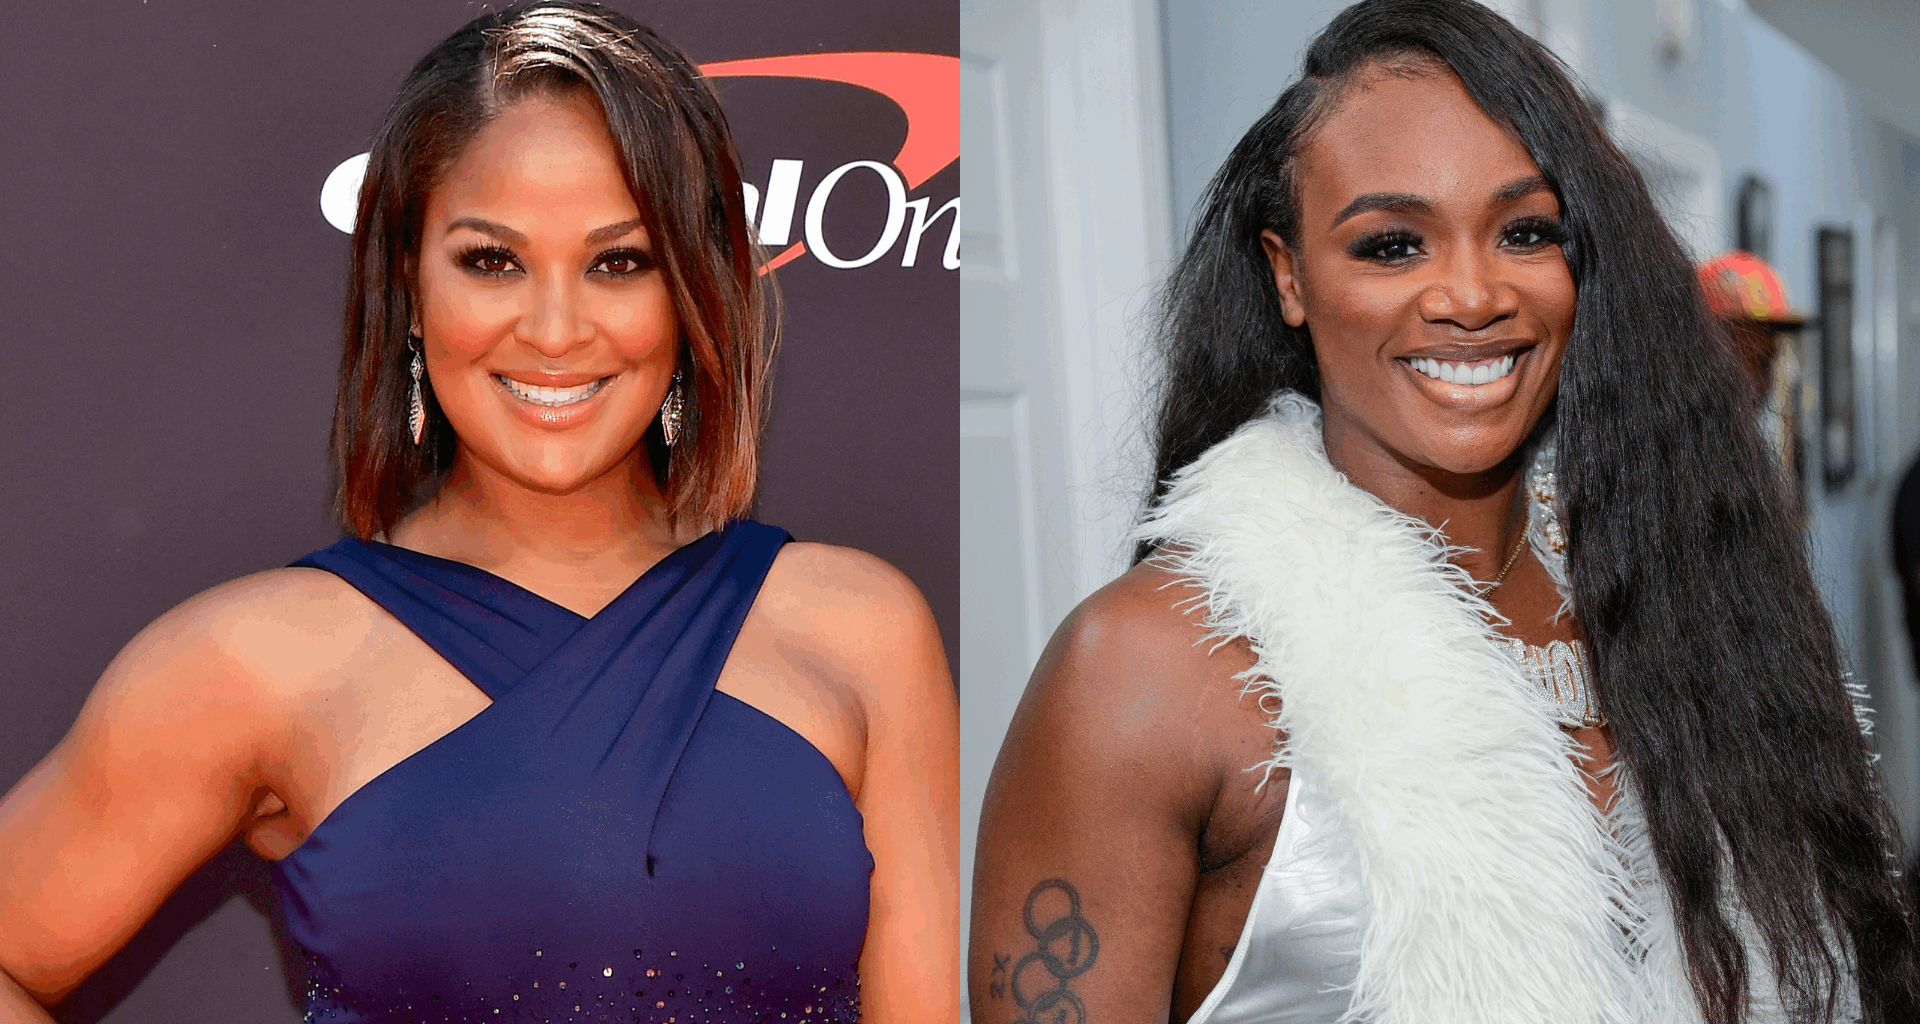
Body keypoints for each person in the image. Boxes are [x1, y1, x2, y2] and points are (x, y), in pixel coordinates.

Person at [0, 4, 957, 1022]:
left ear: (694, 291)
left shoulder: (862, 631)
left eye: (619, 261)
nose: (554, 329)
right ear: (409, 286)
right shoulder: (250, 660)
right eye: (492, 260)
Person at [969, 2, 1916, 1022]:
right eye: (1390, 245)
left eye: (1525, 231)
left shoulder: (1683, 601)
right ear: (1289, 274)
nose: (1471, 295)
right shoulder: (1144, 668)